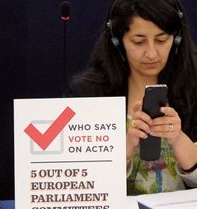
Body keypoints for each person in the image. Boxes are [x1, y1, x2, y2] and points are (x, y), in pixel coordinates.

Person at [69, 0, 197, 195]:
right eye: (138, 41)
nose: (152, 53)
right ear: (117, 40)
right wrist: (125, 148)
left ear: (176, 38)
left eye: (162, 40)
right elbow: (79, 184)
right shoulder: (88, 93)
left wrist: (178, 139)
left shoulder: (193, 86)